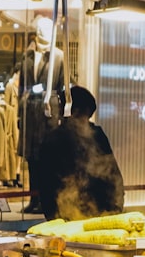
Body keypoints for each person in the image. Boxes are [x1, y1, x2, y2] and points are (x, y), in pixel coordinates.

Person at [36, 86, 125, 221]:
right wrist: (53, 218)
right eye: (83, 115)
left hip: (100, 214)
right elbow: (46, 184)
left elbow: (112, 173)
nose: (85, 121)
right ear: (72, 112)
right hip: (67, 214)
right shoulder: (53, 140)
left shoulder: (96, 135)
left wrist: (115, 207)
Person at [9, 16, 65, 214]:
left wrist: (63, 116)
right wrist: (19, 115)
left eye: (45, 30)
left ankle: (47, 200)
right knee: (32, 159)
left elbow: (62, 87)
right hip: (30, 114)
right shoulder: (28, 56)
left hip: (48, 115)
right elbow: (22, 87)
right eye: (39, 30)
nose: (41, 33)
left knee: (47, 160)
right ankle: (34, 200)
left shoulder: (59, 56)